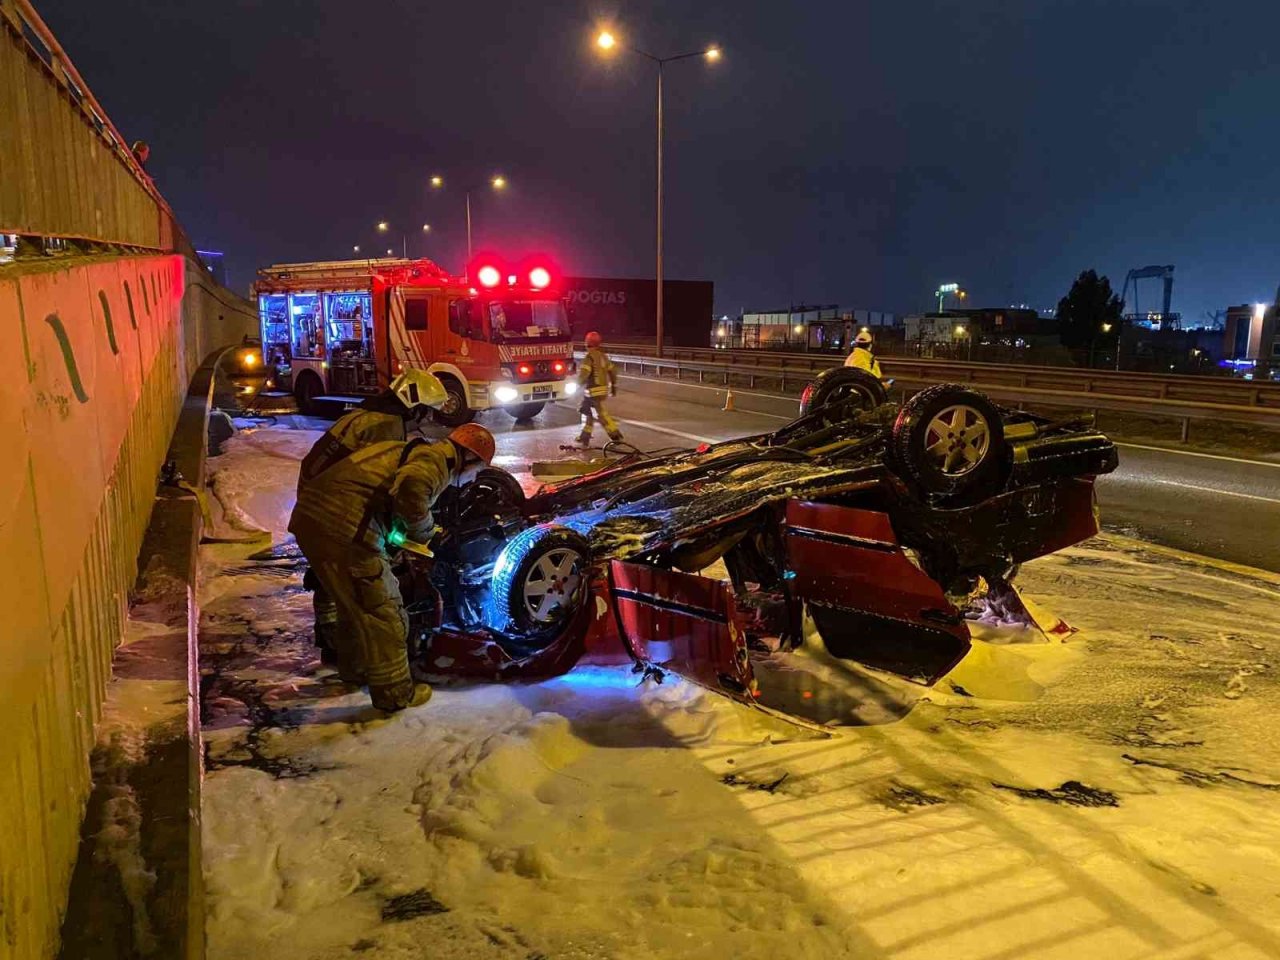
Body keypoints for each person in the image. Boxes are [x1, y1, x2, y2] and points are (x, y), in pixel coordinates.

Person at [289, 420, 497, 713]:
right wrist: (428, 534)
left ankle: (356, 670)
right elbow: (413, 487)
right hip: (344, 528)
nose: (474, 478)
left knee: (354, 605)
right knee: (384, 611)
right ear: (469, 456)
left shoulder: (414, 450)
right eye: (477, 470)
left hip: (314, 519)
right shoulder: (436, 461)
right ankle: (396, 694)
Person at [298, 369, 447, 666]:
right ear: (415, 404)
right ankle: (345, 648)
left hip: (313, 498)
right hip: (333, 508)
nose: (428, 420)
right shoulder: (386, 426)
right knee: (360, 584)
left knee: (329, 577)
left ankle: (334, 644)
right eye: (427, 412)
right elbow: (378, 484)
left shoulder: (367, 413)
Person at [576, 331, 622, 445]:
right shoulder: (603, 356)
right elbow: (612, 371)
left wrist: (577, 384)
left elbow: (584, 374)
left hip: (593, 391)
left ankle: (615, 434)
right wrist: (613, 386)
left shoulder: (589, 357)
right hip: (602, 390)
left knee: (600, 414)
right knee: (588, 412)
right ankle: (585, 435)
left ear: (587, 343)